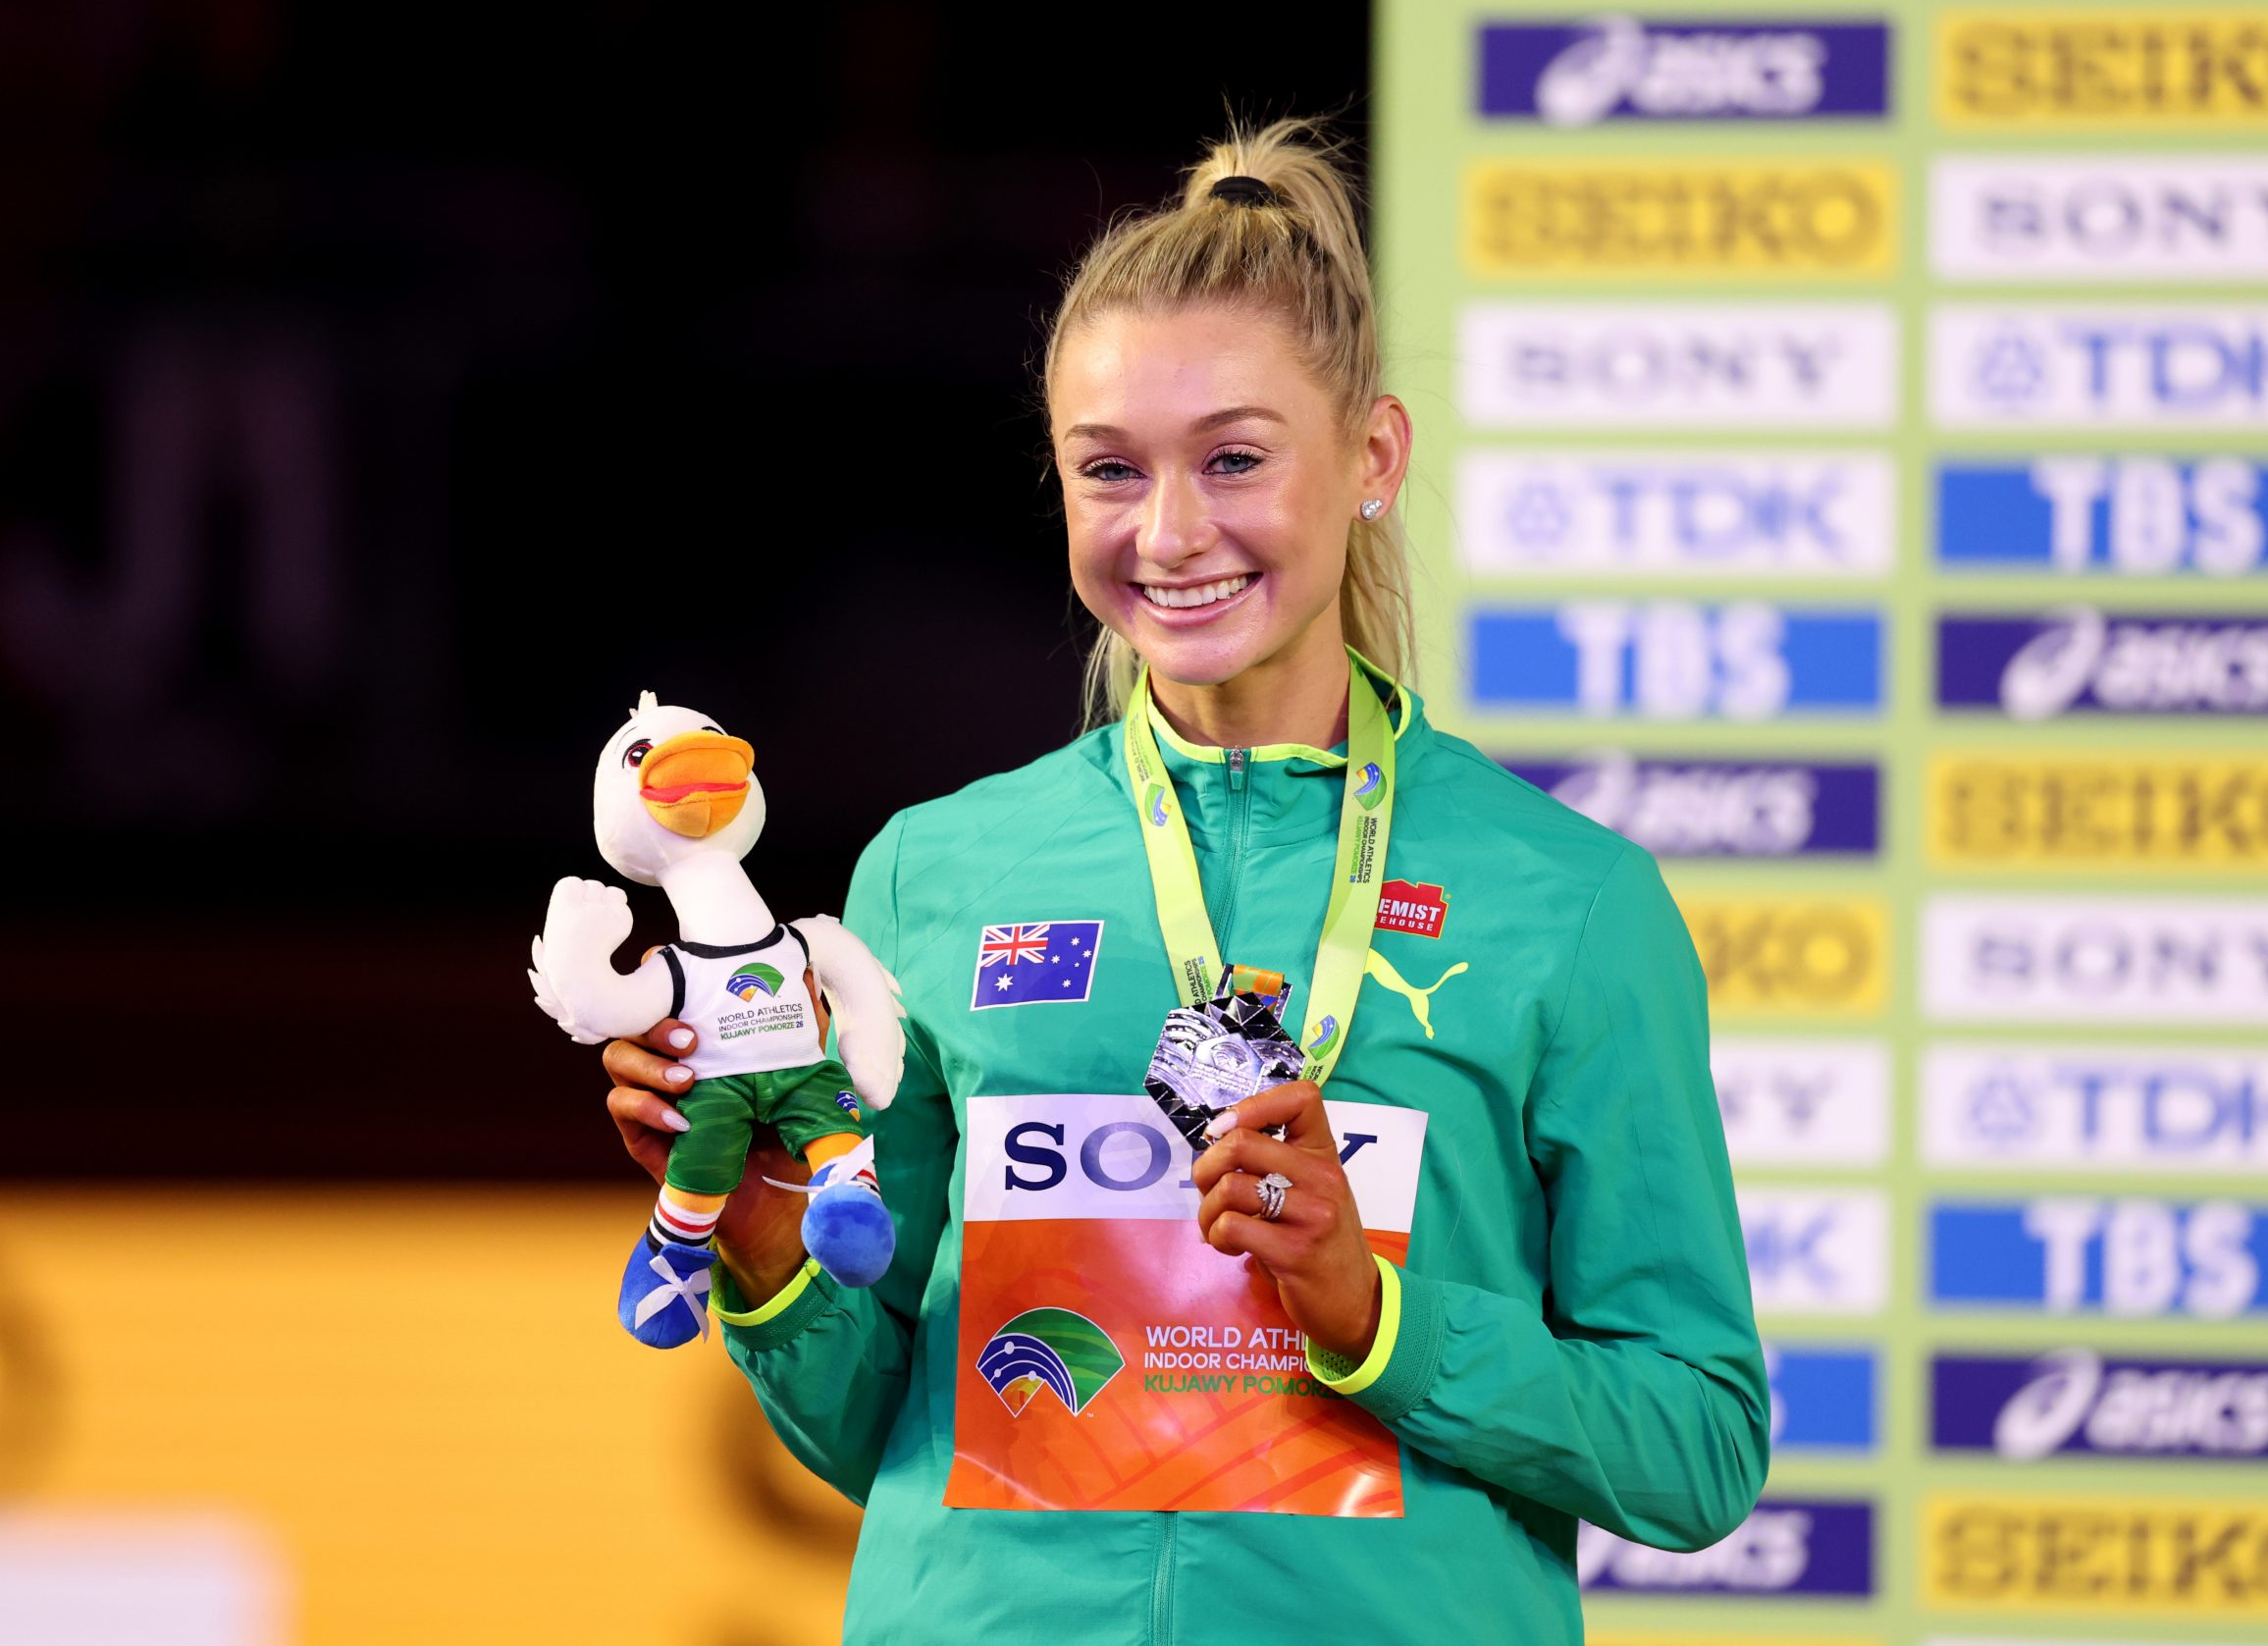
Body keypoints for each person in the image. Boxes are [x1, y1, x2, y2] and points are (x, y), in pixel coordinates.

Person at [599, 119, 1767, 1645]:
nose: (1170, 531)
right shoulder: (936, 873)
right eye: (1110, 470)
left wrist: (1379, 1318)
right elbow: (885, 1425)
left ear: (1372, 458)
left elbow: (1697, 1447)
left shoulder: (1568, 900)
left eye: (1233, 459)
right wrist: (764, 1255)